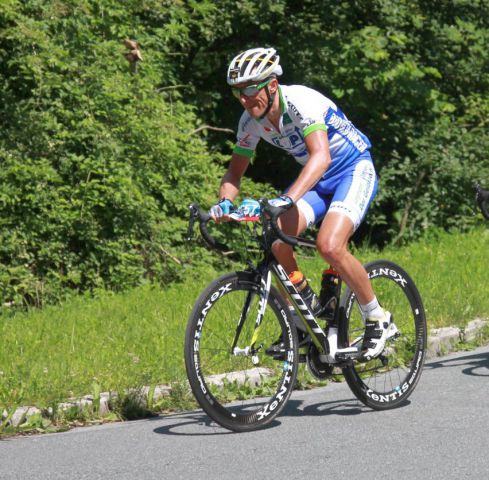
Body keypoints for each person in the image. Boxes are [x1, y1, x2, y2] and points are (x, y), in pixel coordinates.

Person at [209, 47, 390, 361]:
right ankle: (301, 321)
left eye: (250, 90)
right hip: (318, 181)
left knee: (329, 245)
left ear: (272, 86)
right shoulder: (249, 122)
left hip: (352, 169)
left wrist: (287, 198)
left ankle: (377, 318)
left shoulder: (300, 102)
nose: (244, 99)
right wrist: (224, 203)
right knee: (276, 237)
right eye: (238, 92)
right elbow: (234, 172)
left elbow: (321, 156)